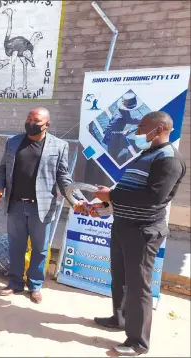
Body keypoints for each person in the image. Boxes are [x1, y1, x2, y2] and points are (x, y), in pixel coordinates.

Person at [89, 111, 186, 356]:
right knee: (119, 278)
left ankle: (137, 343)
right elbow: (129, 189)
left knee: (138, 286)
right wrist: (105, 205)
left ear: (160, 128)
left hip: (143, 231)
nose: (138, 132)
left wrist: (111, 196)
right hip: (123, 225)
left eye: (143, 127)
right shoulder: (146, 154)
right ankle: (119, 319)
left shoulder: (169, 159)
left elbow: (153, 197)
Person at [0, 107, 85, 304]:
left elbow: (63, 177)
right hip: (16, 205)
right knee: (16, 247)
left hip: (41, 207)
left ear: (47, 125)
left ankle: (35, 285)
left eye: (36, 121)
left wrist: (76, 199)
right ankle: (15, 283)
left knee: (40, 249)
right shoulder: (13, 142)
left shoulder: (59, 146)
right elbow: (2, 168)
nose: (30, 123)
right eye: (28, 119)